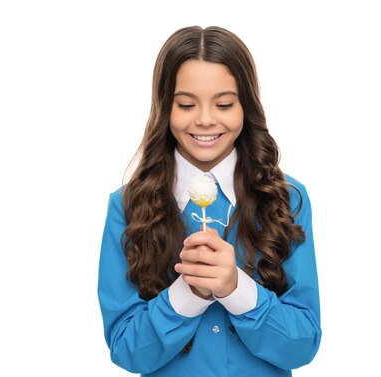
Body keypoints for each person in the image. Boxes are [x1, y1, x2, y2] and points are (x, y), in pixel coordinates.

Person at [97, 26, 321, 376]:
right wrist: (188, 295)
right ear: (164, 107)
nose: (204, 119)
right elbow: (127, 350)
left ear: (246, 106)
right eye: (186, 104)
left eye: (224, 104)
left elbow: (302, 344)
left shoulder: (287, 199)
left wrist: (236, 290)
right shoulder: (127, 205)